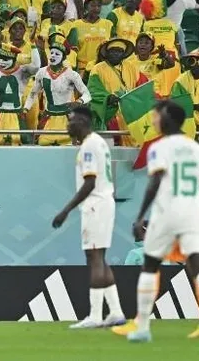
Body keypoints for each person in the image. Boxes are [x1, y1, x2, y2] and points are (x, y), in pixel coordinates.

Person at [112, 99, 199, 343]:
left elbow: (155, 182)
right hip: (194, 211)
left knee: (150, 265)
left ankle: (141, 325)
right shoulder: (195, 148)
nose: (153, 119)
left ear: (168, 117)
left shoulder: (159, 147)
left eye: (157, 115)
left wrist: (140, 215)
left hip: (168, 211)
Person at [51, 104, 126, 328]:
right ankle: (115, 312)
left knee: (93, 258)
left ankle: (94, 315)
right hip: (103, 203)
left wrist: (65, 210)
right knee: (98, 258)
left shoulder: (89, 146)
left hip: (95, 205)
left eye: (70, 120)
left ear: (82, 122)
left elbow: (90, 182)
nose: (67, 125)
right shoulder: (98, 142)